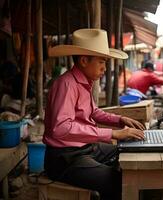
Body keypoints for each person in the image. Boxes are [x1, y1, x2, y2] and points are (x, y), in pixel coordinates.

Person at [43, 29, 145, 200]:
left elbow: (93, 112)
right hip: (65, 158)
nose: (105, 68)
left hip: (85, 148)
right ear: (84, 60)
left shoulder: (84, 81)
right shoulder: (67, 84)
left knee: (127, 152)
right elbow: (61, 128)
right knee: (120, 181)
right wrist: (112, 133)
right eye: (101, 62)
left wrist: (119, 120)